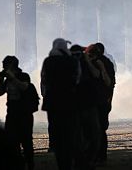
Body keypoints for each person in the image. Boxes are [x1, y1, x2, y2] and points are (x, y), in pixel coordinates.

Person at [41, 38, 79, 170]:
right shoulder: (72, 61)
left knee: (54, 126)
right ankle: (70, 154)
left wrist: (45, 94)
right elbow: (77, 78)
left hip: (52, 101)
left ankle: (56, 148)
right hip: (70, 100)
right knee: (69, 128)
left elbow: (44, 79)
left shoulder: (48, 61)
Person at [0, 55, 35, 170]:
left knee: (27, 142)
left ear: (11, 64)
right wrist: (1, 79)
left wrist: (12, 78)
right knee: (13, 142)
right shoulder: (7, 79)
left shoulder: (24, 76)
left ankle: (30, 165)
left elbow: (24, 87)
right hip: (12, 114)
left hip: (24, 115)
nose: (2, 65)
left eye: (4, 63)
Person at [70, 45, 101, 170]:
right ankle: (80, 161)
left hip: (89, 104)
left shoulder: (88, 63)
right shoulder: (67, 65)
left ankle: (88, 160)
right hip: (75, 106)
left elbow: (97, 74)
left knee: (93, 134)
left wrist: (87, 61)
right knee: (78, 136)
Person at [86, 42, 115, 165]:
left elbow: (109, 83)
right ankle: (99, 156)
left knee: (97, 130)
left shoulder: (103, 63)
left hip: (98, 101)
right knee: (99, 130)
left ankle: (98, 156)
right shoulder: (107, 62)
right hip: (102, 101)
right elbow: (111, 85)